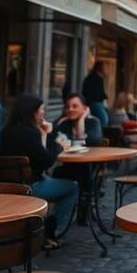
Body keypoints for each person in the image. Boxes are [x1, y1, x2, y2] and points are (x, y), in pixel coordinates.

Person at [0, 93, 79, 250]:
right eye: (42, 108)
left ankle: (43, 226)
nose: (44, 112)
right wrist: (53, 140)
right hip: (31, 187)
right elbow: (48, 161)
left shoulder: (6, 131)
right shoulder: (29, 134)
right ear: (33, 112)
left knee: (54, 180)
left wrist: (43, 135)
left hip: (6, 188)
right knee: (73, 187)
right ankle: (52, 233)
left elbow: (42, 162)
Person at [52, 93, 102, 224]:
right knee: (59, 172)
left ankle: (82, 204)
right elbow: (54, 141)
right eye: (68, 107)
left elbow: (92, 140)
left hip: (91, 165)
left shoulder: (93, 122)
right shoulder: (64, 123)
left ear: (85, 108)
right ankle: (80, 205)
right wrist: (58, 125)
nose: (70, 109)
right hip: (69, 165)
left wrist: (81, 121)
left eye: (75, 106)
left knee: (84, 168)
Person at [81, 61, 108, 127]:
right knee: (104, 121)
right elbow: (95, 93)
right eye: (105, 67)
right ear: (101, 68)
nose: (107, 69)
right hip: (94, 103)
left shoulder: (99, 78)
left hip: (96, 102)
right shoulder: (93, 78)